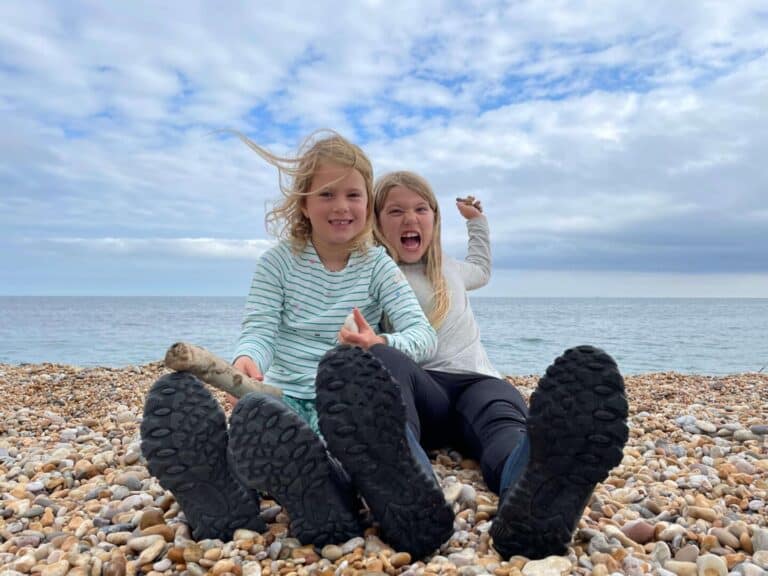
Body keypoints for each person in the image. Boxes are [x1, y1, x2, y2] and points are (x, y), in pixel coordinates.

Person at [140, 131, 453, 557]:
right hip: (283, 399)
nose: (341, 206)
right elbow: (260, 327)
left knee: (355, 445)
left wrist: (377, 343)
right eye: (327, 194)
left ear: (367, 205)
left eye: (353, 195)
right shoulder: (277, 262)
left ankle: (326, 492)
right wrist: (247, 359)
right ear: (304, 203)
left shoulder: (378, 265)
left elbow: (422, 335)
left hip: (343, 407)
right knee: (259, 424)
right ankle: (229, 495)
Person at [362, 170, 630, 559]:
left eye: (421, 209)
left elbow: (483, 268)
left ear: (434, 219)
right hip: (424, 392)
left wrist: (477, 223)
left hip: (477, 381)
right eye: (395, 211)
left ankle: (531, 489)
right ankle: (407, 486)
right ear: (376, 221)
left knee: (503, 424)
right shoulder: (375, 275)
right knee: (383, 362)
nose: (410, 219)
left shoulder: (450, 268)